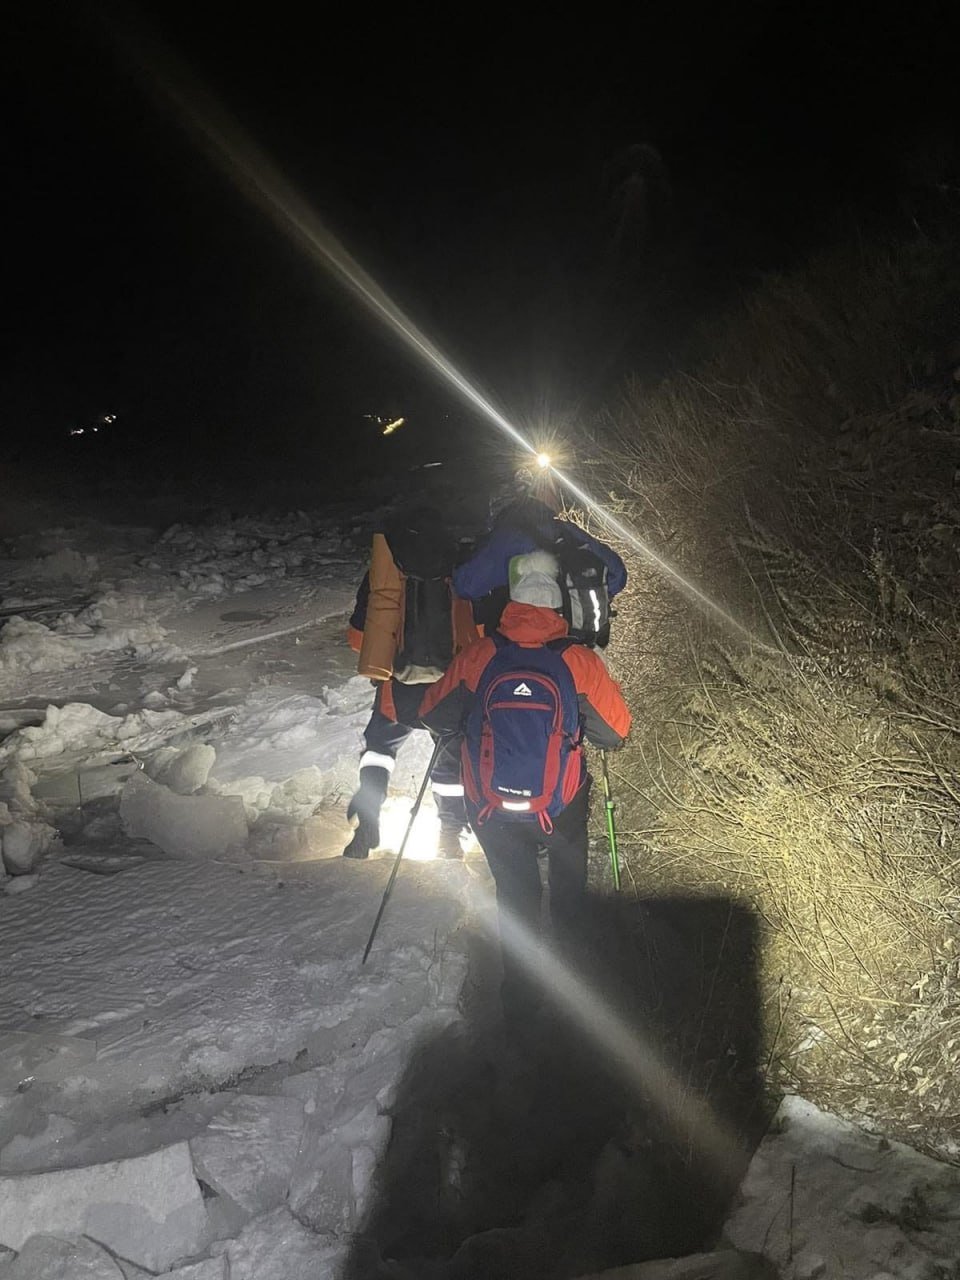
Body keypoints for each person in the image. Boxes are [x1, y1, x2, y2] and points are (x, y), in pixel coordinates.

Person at [419, 550, 631, 1020]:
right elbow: (616, 733)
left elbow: (432, 714)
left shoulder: (480, 655)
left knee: (515, 894)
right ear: (558, 608)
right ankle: (574, 992)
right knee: (569, 893)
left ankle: (520, 999)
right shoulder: (578, 661)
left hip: (491, 805)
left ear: (512, 603)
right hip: (561, 807)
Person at [343, 504, 477, 861]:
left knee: (378, 750)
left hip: (396, 686)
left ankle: (367, 823)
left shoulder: (386, 567)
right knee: (449, 762)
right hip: (449, 684)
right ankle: (449, 835)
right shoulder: (461, 564)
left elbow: (359, 636)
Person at [453, 469, 628, 644]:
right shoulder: (567, 531)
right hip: (573, 642)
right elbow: (617, 574)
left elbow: (466, 586)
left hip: (519, 644)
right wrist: (579, 592)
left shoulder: (505, 539)